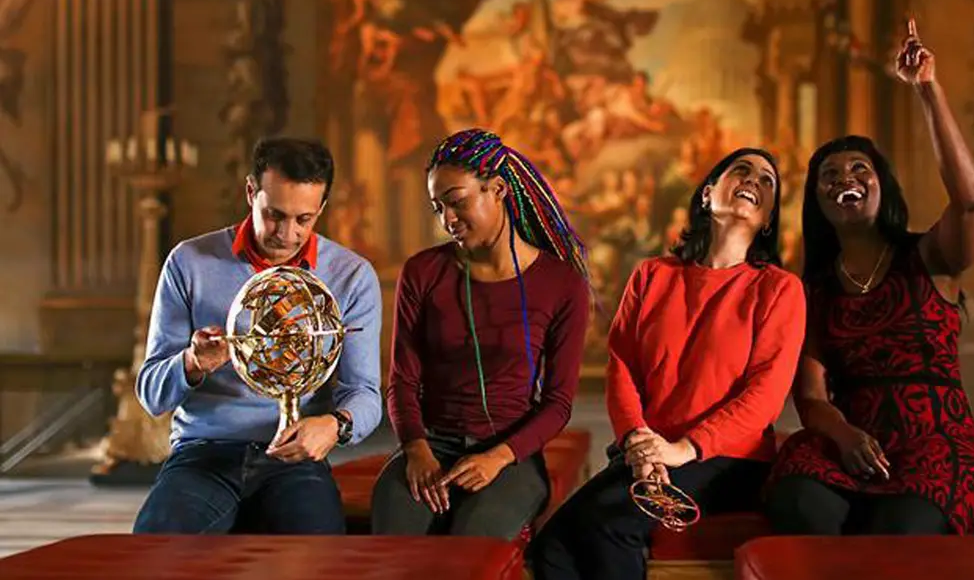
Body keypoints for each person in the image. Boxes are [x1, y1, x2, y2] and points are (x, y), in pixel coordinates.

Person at [764, 20, 974, 535]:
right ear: (818, 202)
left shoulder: (929, 256)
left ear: (883, 187)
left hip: (938, 443)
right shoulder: (814, 289)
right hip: (852, 441)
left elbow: (971, 200)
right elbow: (812, 397)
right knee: (795, 500)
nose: (845, 181)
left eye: (860, 170)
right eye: (829, 177)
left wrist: (928, 90)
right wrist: (844, 436)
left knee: (897, 528)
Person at [530, 148, 806, 580]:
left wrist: (682, 450)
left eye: (767, 180)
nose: (754, 180)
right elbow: (621, 365)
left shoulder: (779, 289)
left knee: (609, 525)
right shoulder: (652, 275)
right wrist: (639, 443)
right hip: (646, 449)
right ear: (707, 194)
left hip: (725, 460)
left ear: (769, 219)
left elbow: (764, 399)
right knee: (551, 549)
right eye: (741, 170)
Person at [132, 137, 383, 534]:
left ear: (322, 208)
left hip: (293, 460)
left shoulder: (352, 276)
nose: (286, 234)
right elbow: (151, 395)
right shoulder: (188, 262)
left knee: (319, 558)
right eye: (274, 215)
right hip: (203, 455)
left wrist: (334, 424)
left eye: (304, 219)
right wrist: (193, 363)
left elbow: (365, 392)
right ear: (251, 192)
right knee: (155, 552)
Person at [372, 128, 592, 540]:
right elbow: (402, 380)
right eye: (437, 208)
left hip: (511, 456)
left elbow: (558, 404)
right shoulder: (422, 272)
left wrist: (497, 458)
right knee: (392, 549)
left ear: (498, 189)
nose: (447, 220)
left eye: (457, 202)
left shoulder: (562, 283)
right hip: (430, 445)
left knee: (469, 547)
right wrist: (416, 450)